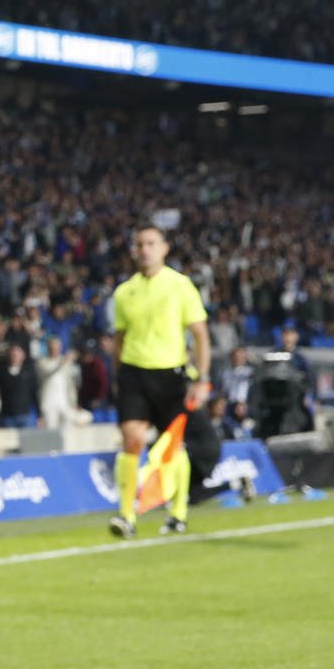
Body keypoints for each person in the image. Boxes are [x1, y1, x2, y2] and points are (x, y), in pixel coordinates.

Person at [107, 224, 217, 538]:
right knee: (132, 439)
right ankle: (126, 514)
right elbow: (119, 338)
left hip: (170, 374)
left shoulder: (180, 286)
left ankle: (178, 513)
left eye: (151, 243)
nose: (145, 249)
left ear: (164, 248)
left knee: (173, 446)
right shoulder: (124, 292)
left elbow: (200, 335)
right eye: (139, 244)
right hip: (133, 373)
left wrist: (202, 378)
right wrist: (118, 377)